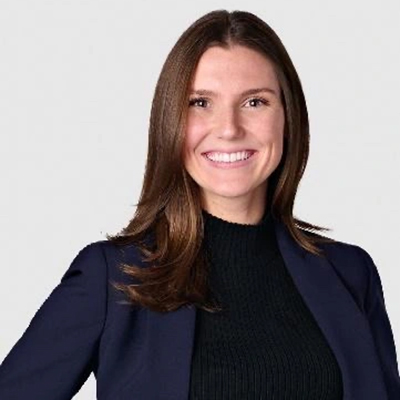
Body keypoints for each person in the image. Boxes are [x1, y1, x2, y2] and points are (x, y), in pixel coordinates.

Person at [0, 8, 399, 400]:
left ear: (288, 117)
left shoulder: (351, 274)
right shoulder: (113, 277)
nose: (228, 129)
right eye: (200, 103)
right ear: (170, 120)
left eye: (255, 102)